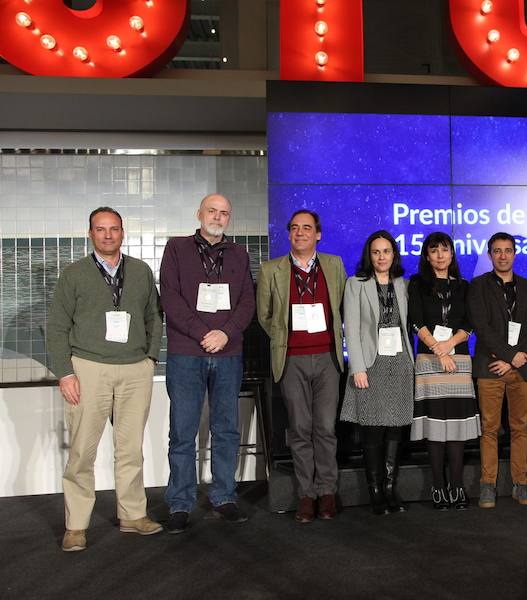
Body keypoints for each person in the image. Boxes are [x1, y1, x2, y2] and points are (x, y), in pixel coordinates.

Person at [48, 207, 163, 552]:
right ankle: (76, 525)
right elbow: (56, 327)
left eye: (114, 229)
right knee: (82, 450)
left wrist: (150, 359)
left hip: (134, 369)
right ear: (90, 234)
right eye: (101, 229)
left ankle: (132, 515)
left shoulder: (141, 272)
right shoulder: (74, 274)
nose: (108, 235)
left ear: (123, 233)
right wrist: (65, 372)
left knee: (130, 449)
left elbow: (154, 318)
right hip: (88, 368)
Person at [159, 193, 256, 533]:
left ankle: (223, 497)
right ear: (199, 213)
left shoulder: (240, 254)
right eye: (212, 211)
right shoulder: (176, 248)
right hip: (187, 353)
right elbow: (169, 297)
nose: (217, 217)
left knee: (226, 429)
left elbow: (247, 301)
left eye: (224, 213)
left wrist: (225, 334)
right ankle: (180, 503)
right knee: (183, 432)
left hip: (228, 354)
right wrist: (205, 333)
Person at [256, 209, 347, 523]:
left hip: (327, 359)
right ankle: (306, 494)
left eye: (307, 228)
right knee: (300, 429)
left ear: (318, 234)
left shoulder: (334, 265)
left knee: (325, 428)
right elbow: (265, 316)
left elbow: (341, 309)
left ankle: (327, 492)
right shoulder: (271, 270)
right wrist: (286, 339)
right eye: (294, 228)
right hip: (291, 359)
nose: (300, 233)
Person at [341, 231, 415, 515]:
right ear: (369, 255)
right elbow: (353, 328)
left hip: (399, 363)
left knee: (395, 429)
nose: (382, 257)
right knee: (373, 430)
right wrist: (357, 367)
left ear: (394, 254)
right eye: (376, 252)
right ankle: (374, 491)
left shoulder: (403, 284)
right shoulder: (356, 285)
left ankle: (389, 488)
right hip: (370, 365)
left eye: (386, 251)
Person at [469, 232, 527, 508]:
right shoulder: (478, 286)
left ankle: (520, 484)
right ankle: (487, 485)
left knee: (520, 428)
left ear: (515, 254)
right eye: (497, 251)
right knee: (489, 428)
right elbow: (482, 327)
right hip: (491, 367)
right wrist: (510, 356)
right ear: (490, 255)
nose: (502, 256)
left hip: (521, 368)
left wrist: (514, 359)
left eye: (507, 250)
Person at [408, 232, 481, 510]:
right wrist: (439, 349)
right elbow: (416, 320)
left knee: (457, 428)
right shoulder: (418, 283)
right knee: (436, 427)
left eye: (445, 250)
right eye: (434, 250)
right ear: (427, 256)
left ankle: (457, 486)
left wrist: (449, 344)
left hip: (459, 361)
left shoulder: (464, 286)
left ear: (452, 254)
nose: (440, 255)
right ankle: (438, 486)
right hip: (429, 361)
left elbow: (470, 323)